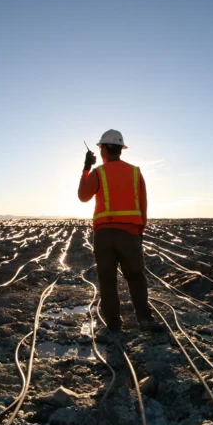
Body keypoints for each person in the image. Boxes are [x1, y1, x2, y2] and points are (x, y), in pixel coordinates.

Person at [78, 129, 159, 333]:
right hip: (130, 233)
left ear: (104, 149)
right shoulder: (135, 172)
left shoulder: (98, 172)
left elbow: (83, 196)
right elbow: (143, 203)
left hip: (104, 235)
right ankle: (144, 318)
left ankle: (114, 323)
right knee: (135, 276)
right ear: (120, 149)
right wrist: (140, 229)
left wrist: (86, 168)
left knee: (107, 280)